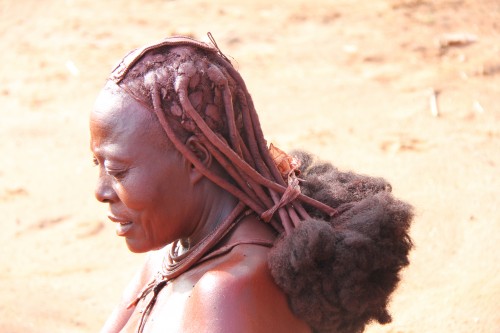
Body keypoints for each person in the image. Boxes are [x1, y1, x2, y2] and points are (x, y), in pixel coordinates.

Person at [90, 35, 413, 333]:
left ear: (196, 159)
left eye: (118, 171)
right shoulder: (171, 255)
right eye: (98, 165)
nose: (100, 191)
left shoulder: (229, 290)